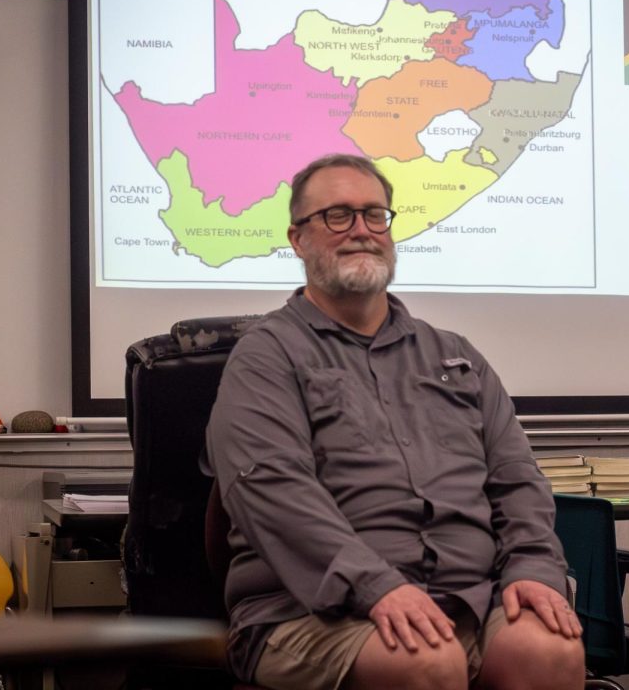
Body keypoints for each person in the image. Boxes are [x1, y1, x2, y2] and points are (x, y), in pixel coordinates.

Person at [206, 154, 584, 690]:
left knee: (548, 651)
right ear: (297, 239)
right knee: (425, 662)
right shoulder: (267, 356)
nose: (361, 230)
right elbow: (271, 490)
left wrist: (532, 568)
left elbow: (518, 481)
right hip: (312, 613)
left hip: (469, 596)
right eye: (338, 216)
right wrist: (376, 586)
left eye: (374, 215)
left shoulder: (457, 357)